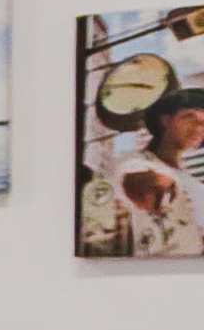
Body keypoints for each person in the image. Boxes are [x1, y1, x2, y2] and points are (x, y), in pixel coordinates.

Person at [83, 85, 204, 257]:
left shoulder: (196, 185)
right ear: (166, 120)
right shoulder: (133, 163)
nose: (198, 127)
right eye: (189, 118)